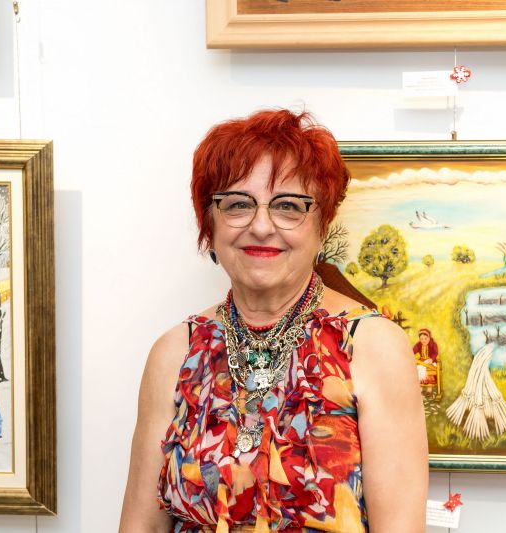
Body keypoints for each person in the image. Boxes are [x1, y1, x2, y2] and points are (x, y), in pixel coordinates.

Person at [119, 109, 428, 532]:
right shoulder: (175, 353)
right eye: (237, 204)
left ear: (322, 225)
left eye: (287, 206)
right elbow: (143, 526)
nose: (261, 226)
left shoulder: (373, 347)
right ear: (209, 222)